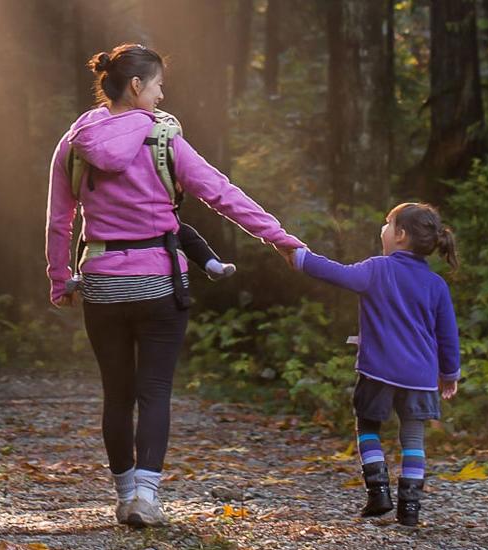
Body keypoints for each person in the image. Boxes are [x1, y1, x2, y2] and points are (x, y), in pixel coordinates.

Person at [45, 43, 303, 527]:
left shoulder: (74, 141)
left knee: (116, 394)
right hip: (160, 281)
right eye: (159, 85)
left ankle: (124, 498)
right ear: (137, 85)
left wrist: (61, 279)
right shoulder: (164, 139)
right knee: (155, 391)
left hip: (101, 283)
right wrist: (280, 238)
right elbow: (222, 194)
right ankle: (146, 496)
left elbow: (60, 220)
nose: (163, 96)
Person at [291, 202, 461, 527]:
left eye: (387, 223)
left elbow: (336, 272)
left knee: (367, 426)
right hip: (421, 377)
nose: (382, 230)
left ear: (400, 235)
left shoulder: (377, 269)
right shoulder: (437, 285)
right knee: (413, 438)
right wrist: (449, 374)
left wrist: (300, 257)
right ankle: (410, 509)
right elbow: (448, 336)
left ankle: (378, 492)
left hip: (378, 370)